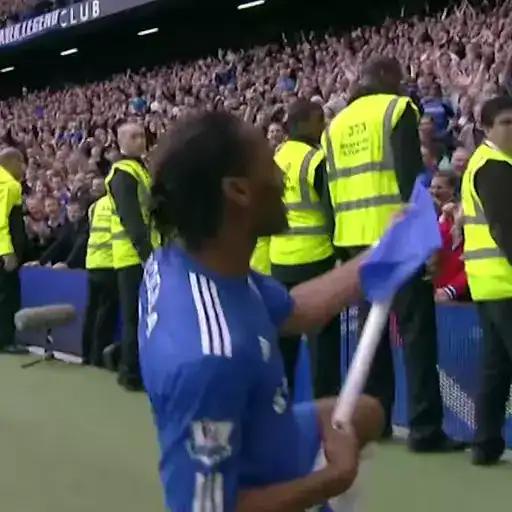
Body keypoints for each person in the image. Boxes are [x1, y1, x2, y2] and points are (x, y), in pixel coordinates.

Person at [139, 110, 384, 512]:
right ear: (238, 190)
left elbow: (296, 310)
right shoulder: (209, 360)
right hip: (244, 487)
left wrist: (384, 254)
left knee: (366, 414)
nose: (282, 177)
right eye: (270, 164)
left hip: (267, 433)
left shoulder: (190, 259)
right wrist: (332, 478)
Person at [322, 56, 464, 452]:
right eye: (400, 78)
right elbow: (409, 180)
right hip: (396, 238)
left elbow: (333, 189)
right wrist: (426, 239)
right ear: (387, 78)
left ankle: (377, 420)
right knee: (416, 332)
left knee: (373, 333)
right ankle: (424, 428)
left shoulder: (336, 125)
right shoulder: (397, 109)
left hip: (355, 240)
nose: (404, 85)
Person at [270, 99, 340, 400]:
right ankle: (324, 405)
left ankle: (279, 402)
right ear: (306, 123)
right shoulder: (315, 160)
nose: (323, 125)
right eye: (319, 119)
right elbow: (330, 210)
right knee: (322, 341)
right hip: (315, 256)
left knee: (284, 338)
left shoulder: (276, 156)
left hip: (280, 258)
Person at [461, 96, 512, 465]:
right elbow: (506, 228)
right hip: (504, 281)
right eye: (507, 123)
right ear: (486, 128)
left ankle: (485, 442)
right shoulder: (495, 167)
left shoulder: (483, 163)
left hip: (487, 283)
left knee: (496, 368)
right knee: (495, 368)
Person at [103, 122, 160, 391]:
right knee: (134, 317)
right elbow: (132, 218)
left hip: (139, 255)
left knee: (142, 316)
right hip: (132, 257)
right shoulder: (123, 173)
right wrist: (147, 255)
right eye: (133, 136)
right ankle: (130, 373)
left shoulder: (138, 169)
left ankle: (137, 369)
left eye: (141, 135)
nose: (140, 140)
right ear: (121, 142)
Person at [81, 194, 119, 367]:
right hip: (109, 263)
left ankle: (86, 354)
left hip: (93, 261)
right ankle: (97, 356)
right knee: (105, 313)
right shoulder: (118, 202)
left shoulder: (96, 205)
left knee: (92, 310)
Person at [0, 148, 28, 355]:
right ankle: (5, 340)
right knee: (8, 297)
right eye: (21, 163)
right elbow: (2, 220)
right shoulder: (9, 185)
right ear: (11, 162)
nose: (24, 168)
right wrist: (7, 252)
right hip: (4, 253)